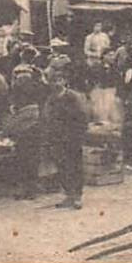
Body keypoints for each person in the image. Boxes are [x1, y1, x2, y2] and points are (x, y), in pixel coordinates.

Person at [43, 69, 89, 209]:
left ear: (65, 81)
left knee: (75, 166)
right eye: (54, 81)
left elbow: (82, 117)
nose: (56, 83)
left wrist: (78, 135)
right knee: (62, 166)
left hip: (72, 137)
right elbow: (47, 117)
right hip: (57, 138)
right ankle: (69, 194)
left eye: (59, 80)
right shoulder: (51, 99)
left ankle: (77, 197)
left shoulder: (73, 97)